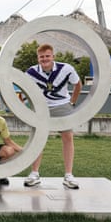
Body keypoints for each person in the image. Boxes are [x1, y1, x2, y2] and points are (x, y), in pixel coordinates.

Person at [24, 43, 82, 189]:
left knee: (68, 138)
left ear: (53, 56)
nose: (45, 59)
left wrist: (72, 103)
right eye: (41, 57)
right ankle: (34, 173)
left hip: (62, 105)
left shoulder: (66, 68)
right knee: (38, 139)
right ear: (38, 58)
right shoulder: (31, 72)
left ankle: (69, 174)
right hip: (41, 107)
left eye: (47, 56)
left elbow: (78, 84)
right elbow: (24, 89)